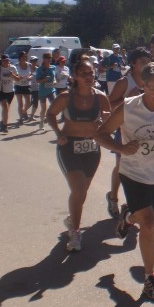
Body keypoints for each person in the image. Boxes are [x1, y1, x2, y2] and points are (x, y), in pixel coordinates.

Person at [94, 62, 154, 302]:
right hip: (133, 173)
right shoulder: (128, 108)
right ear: (143, 86)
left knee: (153, 226)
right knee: (147, 224)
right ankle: (150, 278)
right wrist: (120, 147)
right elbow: (100, 134)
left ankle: (128, 217)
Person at [46, 57, 111, 251]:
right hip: (69, 147)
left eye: (91, 73)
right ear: (74, 76)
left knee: (82, 191)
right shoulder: (66, 97)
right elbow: (50, 114)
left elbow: (108, 120)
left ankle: (72, 217)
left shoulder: (100, 97)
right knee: (79, 189)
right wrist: (58, 134)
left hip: (92, 148)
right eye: (83, 74)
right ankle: (75, 232)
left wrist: (105, 123)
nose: (88, 77)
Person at [105, 47, 152, 219]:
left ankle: (135, 204)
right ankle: (113, 197)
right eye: (142, 62)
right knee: (121, 167)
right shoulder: (125, 82)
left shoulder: (150, 80)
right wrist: (127, 99)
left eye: (148, 61)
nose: (146, 65)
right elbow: (110, 104)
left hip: (145, 130)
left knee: (141, 168)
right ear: (133, 64)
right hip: (125, 130)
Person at [0, 54, 19, 133]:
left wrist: (12, 75)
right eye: (4, 60)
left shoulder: (13, 68)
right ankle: (5, 126)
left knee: (6, 109)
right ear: (2, 61)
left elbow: (17, 79)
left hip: (10, 91)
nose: (6, 61)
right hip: (0, 91)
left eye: (7, 60)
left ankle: (2, 121)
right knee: (5, 108)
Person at [35, 52, 57, 130]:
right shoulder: (40, 69)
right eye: (47, 58)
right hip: (42, 91)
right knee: (43, 108)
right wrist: (44, 79)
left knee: (54, 106)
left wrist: (54, 81)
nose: (49, 60)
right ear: (44, 59)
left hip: (51, 90)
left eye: (50, 58)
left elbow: (54, 77)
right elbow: (37, 80)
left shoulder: (53, 67)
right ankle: (41, 122)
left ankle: (48, 118)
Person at [14, 51, 32, 123]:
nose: (24, 58)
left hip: (26, 85)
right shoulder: (16, 65)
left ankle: (24, 112)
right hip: (18, 85)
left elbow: (33, 73)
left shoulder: (29, 65)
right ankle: (21, 118)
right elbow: (13, 75)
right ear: (20, 58)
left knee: (29, 102)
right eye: (22, 57)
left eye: (25, 57)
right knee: (20, 103)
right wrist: (18, 77)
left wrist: (30, 77)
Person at [27, 56, 40, 121]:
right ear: (30, 61)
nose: (34, 62)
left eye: (35, 61)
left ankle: (31, 116)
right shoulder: (28, 68)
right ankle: (24, 112)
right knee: (29, 103)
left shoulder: (38, 69)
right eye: (33, 61)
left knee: (35, 102)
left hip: (36, 88)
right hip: (28, 87)